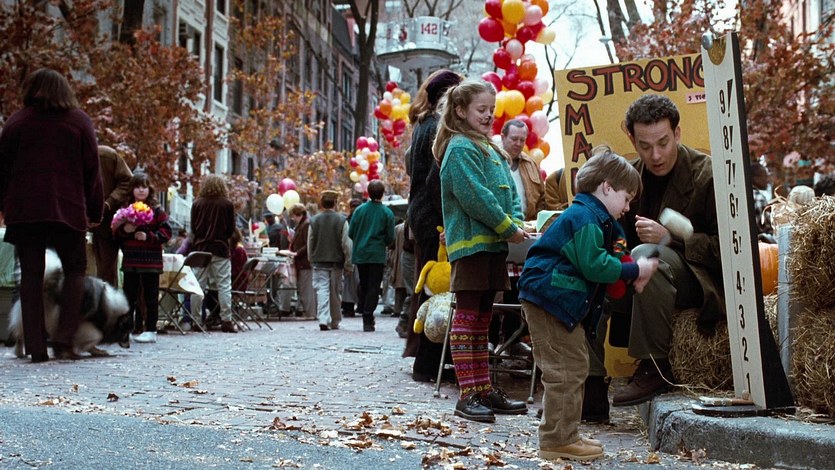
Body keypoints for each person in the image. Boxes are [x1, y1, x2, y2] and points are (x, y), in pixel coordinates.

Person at [518, 147, 657, 461]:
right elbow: (594, 265)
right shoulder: (586, 219)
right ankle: (556, 440)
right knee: (564, 370)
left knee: (574, 366)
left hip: (555, 300)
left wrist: (629, 275)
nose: (628, 207)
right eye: (626, 197)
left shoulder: (594, 219)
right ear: (607, 188)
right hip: (550, 299)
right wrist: (633, 270)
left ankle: (565, 433)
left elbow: (604, 265)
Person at [597, 94, 724, 408]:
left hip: (697, 281)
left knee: (647, 256)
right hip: (636, 278)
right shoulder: (626, 178)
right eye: (645, 146)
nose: (655, 155)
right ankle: (587, 381)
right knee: (587, 268)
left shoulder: (708, 175)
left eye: (663, 143)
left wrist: (672, 238)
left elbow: (728, 251)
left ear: (677, 134)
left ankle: (655, 365)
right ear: (632, 140)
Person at [434, 78, 529, 423]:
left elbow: (508, 193)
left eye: (492, 109)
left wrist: (515, 222)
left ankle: (484, 388)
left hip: (492, 245)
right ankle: (467, 394)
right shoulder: (460, 147)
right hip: (471, 245)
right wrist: (507, 226)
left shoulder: (490, 148)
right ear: (461, 111)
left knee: (483, 318)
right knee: (468, 316)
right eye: (481, 109)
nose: (489, 115)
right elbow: (476, 197)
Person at [0, 68, 104, 362]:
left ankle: (35, 347)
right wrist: (95, 210)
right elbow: (92, 170)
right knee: (75, 271)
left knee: (31, 276)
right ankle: (64, 341)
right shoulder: (79, 122)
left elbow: (2, 169)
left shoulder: (17, 122)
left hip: (25, 210)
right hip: (67, 208)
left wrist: (4, 206)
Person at [405, 69, 463, 382]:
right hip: (432, 220)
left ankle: (430, 360)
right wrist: (445, 222)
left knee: (431, 288)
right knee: (437, 289)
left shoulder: (423, 125)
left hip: (422, 216)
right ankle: (428, 363)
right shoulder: (435, 128)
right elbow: (434, 180)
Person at [113, 173, 172, 343]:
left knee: (150, 296)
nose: (141, 190)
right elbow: (116, 234)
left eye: (144, 187)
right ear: (132, 189)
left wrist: (149, 237)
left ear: (149, 189)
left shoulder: (157, 210)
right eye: (137, 187)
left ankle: (151, 329)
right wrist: (125, 230)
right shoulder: (125, 210)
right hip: (131, 259)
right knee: (129, 296)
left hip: (151, 261)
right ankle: (127, 329)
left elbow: (166, 232)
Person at [190, 174, 237, 333]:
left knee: (198, 286)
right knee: (224, 286)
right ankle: (226, 320)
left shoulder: (197, 203)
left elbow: (194, 228)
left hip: (201, 249)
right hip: (220, 248)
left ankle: (196, 321)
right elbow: (231, 229)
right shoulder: (227, 204)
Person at [348, 180, 396, 332]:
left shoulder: (359, 211)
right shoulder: (386, 212)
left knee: (364, 283)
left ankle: (364, 309)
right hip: (376, 254)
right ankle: (368, 316)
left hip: (360, 253)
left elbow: (351, 232)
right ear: (382, 193)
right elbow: (390, 237)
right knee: (374, 286)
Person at [309, 190, 352, 331]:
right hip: (336, 262)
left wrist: (311, 258)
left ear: (322, 203)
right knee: (335, 292)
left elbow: (310, 241)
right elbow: (346, 244)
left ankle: (323, 318)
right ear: (335, 202)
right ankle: (335, 320)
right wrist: (348, 263)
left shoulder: (314, 220)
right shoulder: (342, 220)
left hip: (319, 261)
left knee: (322, 290)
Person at [91, 145, 133, 287]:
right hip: (100, 224)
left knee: (134, 270)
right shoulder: (71, 161)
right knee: (105, 271)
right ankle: (108, 300)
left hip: (125, 220)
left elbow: (128, 181)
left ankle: (136, 302)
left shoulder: (106, 155)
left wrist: (109, 203)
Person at [501, 119, 546, 221]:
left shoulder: (531, 164)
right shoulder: (492, 161)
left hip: (528, 224)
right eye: (514, 139)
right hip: (501, 225)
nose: (518, 143)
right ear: (503, 137)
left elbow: (542, 198)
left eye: (522, 140)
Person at [288, 203, 315, 319]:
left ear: (298, 214)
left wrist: (296, 253)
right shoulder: (302, 224)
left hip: (305, 262)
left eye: (293, 216)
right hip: (302, 262)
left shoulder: (306, 224)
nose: (292, 219)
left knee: (306, 289)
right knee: (304, 288)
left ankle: (310, 313)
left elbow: (307, 244)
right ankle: (308, 312)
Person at [341, 198, 362, 318]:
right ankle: (349, 305)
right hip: (353, 252)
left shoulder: (349, 221)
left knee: (353, 281)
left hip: (358, 252)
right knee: (351, 281)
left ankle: (351, 305)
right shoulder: (348, 221)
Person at [751, 162, 775, 243]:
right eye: (765, 177)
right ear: (756, 179)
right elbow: (765, 228)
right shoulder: (759, 198)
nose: (767, 180)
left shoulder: (746, 195)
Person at [229, 228, 248, 292]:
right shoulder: (239, 250)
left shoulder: (237, 251)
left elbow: (234, 272)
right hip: (240, 282)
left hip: (236, 283)